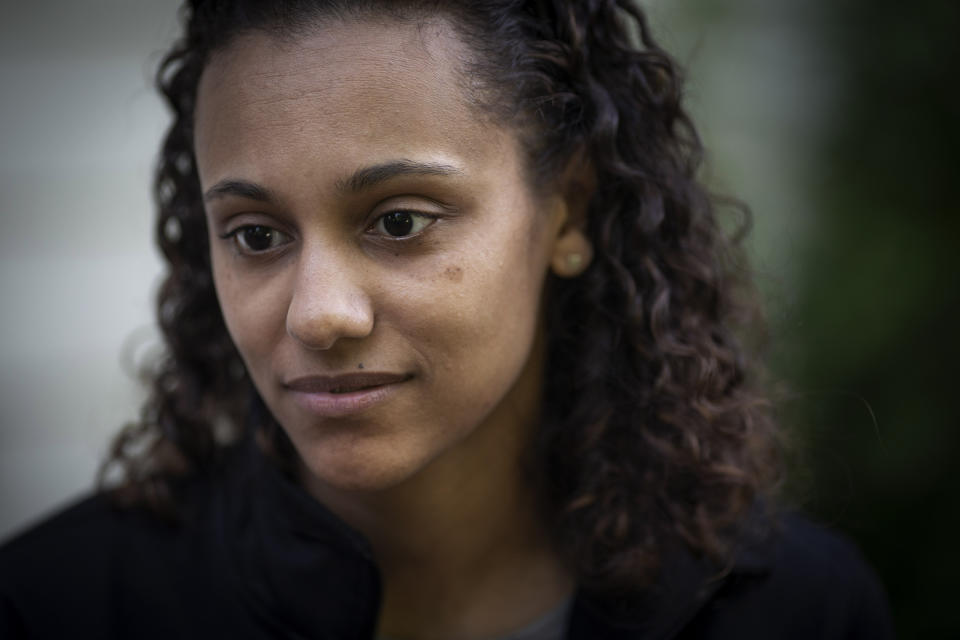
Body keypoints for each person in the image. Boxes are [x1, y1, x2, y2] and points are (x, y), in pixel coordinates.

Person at [0, 1, 894, 638]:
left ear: (569, 213)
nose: (320, 315)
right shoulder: (61, 605)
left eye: (399, 221)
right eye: (257, 233)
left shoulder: (793, 610)